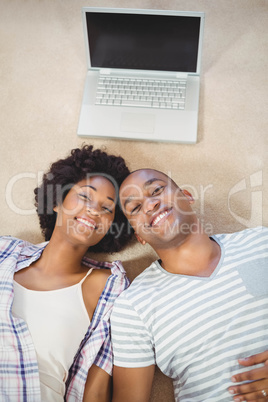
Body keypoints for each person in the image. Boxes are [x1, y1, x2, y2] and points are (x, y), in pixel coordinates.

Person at [111, 168, 268, 402]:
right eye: (135, 208)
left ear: (186, 196)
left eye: (156, 190)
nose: (150, 205)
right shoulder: (133, 306)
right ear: (139, 236)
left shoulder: (260, 242)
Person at [0, 145, 133, 402]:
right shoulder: (5, 251)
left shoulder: (109, 287)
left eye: (107, 209)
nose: (94, 210)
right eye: (85, 197)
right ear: (57, 202)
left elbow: (95, 387)